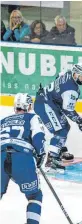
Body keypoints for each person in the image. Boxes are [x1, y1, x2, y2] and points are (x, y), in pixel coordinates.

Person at [34, 63, 82, 173]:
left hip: (49, 101)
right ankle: (51, 161)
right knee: (61, 130)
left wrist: (79, 121)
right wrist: (80, 120)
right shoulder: (71, 90)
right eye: (81, 76)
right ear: (75, 74)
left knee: (65, 126)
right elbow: (68, 109)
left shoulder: (67, 73)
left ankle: (59, 149)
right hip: (45, 105)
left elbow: (58, 77)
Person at [1, 93, 46, 224]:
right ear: (29, 106)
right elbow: (38, 137)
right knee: (35, 195)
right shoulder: (32, 117)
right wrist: (40, 155)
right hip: (22, 157)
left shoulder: (3, 121)